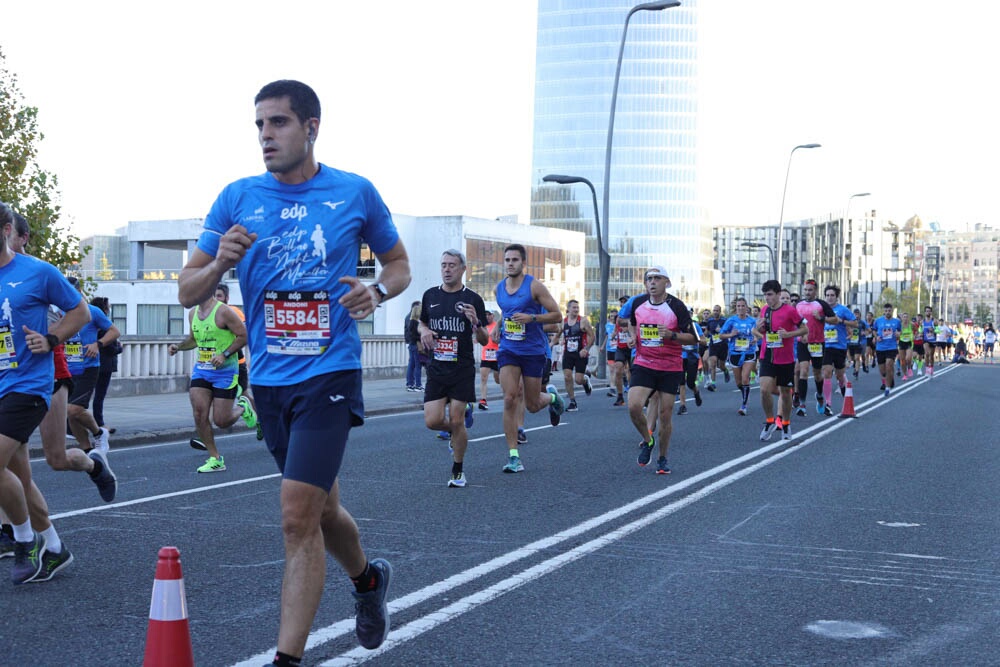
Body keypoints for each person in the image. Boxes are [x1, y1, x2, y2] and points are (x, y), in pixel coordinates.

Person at [177, 80, 410, 662]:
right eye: (259, 125)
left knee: (295, 515)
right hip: (271, 380)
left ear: (311, 127)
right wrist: (220, 264)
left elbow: (400, 264)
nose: (265, 136)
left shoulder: (354, 192)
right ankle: (368, 582)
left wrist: (377, 292)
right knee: (323, 509)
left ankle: (286, 659)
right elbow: (187, 290)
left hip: (328, 374)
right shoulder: (236, 197)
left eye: (278, 123)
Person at [0, 201, 93, 584]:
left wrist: (52, 337)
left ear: (6, 229)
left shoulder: (38, 272)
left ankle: (24, 540)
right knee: (18, 477)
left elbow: (81, 312)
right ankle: (54, 547)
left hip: (28, 386)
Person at [417, 250, 488, 487]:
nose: (447, 269)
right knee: (432, 421)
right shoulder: (430, 295)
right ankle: (456, 434)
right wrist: (424, 330)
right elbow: (421, 322)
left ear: (463, 269)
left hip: (462, 368)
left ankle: (458, 470)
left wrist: (476, 322)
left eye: (452, 265)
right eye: (443, 265)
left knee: (457, 420)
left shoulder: (473, 299)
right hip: (437, 367)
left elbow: (485, 339)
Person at [490, 243, 564, 474]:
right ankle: (514, 456)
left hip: (533, 351)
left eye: (515, 260)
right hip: (509, 349)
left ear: (523, 263)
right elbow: (507, 311)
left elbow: (557, 315)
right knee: (510, 398)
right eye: (507, 260)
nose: (510, 263)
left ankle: (551, 398)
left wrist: (532, 318)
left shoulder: (534, 286)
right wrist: (499, 326)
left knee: (532, 405)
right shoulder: (499, 289)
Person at [168, 292, 257, 473]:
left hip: (225, 371)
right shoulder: (193, 313)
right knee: (199, 413)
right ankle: (215, 458)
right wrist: (178, 347)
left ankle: (243, 406)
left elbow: (244, 336)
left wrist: (224, 354)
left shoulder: (223, 312)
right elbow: (193, 339)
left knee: (222, 421)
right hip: (202, 370)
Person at [628, 266, 696, 475]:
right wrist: (633, 337)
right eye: (649, 279)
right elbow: (631, 323)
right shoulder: (638, 303)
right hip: (644, 362)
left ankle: (662, 458)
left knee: (665, 415)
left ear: (666, 282)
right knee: (633, 407)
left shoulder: (676, 306)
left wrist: (672, 336)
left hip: (670, 366)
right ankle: (648, 441)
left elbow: (694, 338)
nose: (653, 282)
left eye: (657, 278)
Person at [64, 276, 120, 454]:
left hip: (88, 367)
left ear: (79, 292)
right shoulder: (60, 313)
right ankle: (87, 450)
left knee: (74, 409)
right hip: (67, 369)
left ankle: (99, 433)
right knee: (71, 414)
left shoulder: (92, 311)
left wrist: (98, 344)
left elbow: (114, 331)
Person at [755, 280, 808, 441]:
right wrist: (759, 327)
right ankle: (770, 420)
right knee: (764, 389)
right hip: (767, 356)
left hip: (785, 358)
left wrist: (788, 334)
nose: (767, 298)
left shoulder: (790, 311)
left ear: (778, 295)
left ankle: (785, 423)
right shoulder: (764, 310)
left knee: (785, 393)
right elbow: (761, 330)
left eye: (770, 294)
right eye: (765, 295)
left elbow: (805, 329)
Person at [793, 279, 838, 417]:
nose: (807, 292)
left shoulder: (821, 304)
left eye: (810, 290)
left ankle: (819, 394)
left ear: (816, 291)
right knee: (804, 370)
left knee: (818, 374)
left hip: (818, 343)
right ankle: (802, 405)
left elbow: (835, 319)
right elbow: (792, 321)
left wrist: (821, 318)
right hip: (803, 343)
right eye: (805, 290)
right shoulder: (798, 305)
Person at [818, 285, 857, 415]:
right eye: (827, 295)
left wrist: (842, 321)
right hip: (826, 346)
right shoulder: (821, 310)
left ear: (836, 297)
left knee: (840, 376)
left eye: (832, 295)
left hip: (840, 346)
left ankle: (845, 396)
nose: (829, 298)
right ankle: (828, 404)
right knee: (827, 372)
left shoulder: (842, 310)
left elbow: (855, 323)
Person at [718, 297, 759, 416]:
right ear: (736, 308)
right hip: (735, 353)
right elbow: (721, 336)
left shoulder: (752, 321)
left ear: (747, 308)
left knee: (745, 378)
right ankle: (745, 392)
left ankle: (744, 405)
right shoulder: (731, 321)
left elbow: (757, 334)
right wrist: (731, 334)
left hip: (749, 352)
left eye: (743, 306)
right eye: (738, 306)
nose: (741, 308)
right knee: (739, 382)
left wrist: (755, 339)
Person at [553, 299, 595, 412]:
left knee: (578, 380)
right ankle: (573, 402)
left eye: (577, 307)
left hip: (580, 354)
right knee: (567, 376)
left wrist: (586, 349)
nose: (576, 309)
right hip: (568, 353)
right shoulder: (563, 322)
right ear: (568, 309)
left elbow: (592, 336)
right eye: (574, 307)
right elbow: (558, 335)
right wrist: (551, 344)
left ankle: (585, 381)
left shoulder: (583, 321)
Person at [89, 296, 121, 434]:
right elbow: (110, 348)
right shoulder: (104, 326)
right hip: (104, 364)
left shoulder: (93, 324)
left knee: (88, 395)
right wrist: (120, 348)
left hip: (97, 363)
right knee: (99, 396)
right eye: (108, 306)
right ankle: (99, 422)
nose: (109, 309)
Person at [873, 303, 902, 397]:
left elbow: (899, 331)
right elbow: (874, 330)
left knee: (889, 364)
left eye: (889, 311)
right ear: (883, 311)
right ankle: (890, 378)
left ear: (892, 310)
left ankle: (887, 387)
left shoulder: (896, 321)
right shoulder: (878, 321)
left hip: (891, 347)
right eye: (886, 311)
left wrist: (898, 334)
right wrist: (876, 336)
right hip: (880, 347)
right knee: (883, 371)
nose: (887, 312)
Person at [702, 304, 729, 391]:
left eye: (717, 311)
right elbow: (706, 332)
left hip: (723, 345)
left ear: (720, 312)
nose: (715, 312)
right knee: (712, 364)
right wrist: (704, 334)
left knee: (721, 366)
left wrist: (721, 331)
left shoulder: (724, 321)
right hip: (713, 345)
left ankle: (725, 370)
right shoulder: (710, 321)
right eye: (714, 310)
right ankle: (713, 384)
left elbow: (729, 331)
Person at [478, 311, 500, 409]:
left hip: (497, 355)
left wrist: (496, 340)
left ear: (493, 316)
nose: (487, 316)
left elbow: (501, 339)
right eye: (485, 314)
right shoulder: (482, 326)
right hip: (486, 355)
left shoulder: (497, 325)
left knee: (498, 380)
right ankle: (483, 400)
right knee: (483, 378)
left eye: (489, 314)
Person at [404, 301, 423, 392]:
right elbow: (413, 333)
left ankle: (410, 384)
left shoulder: (408, 318)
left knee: (412, 365)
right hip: (415, 344)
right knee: (417, 365)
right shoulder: (413, 320)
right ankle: (417, 385)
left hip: (411, 343)